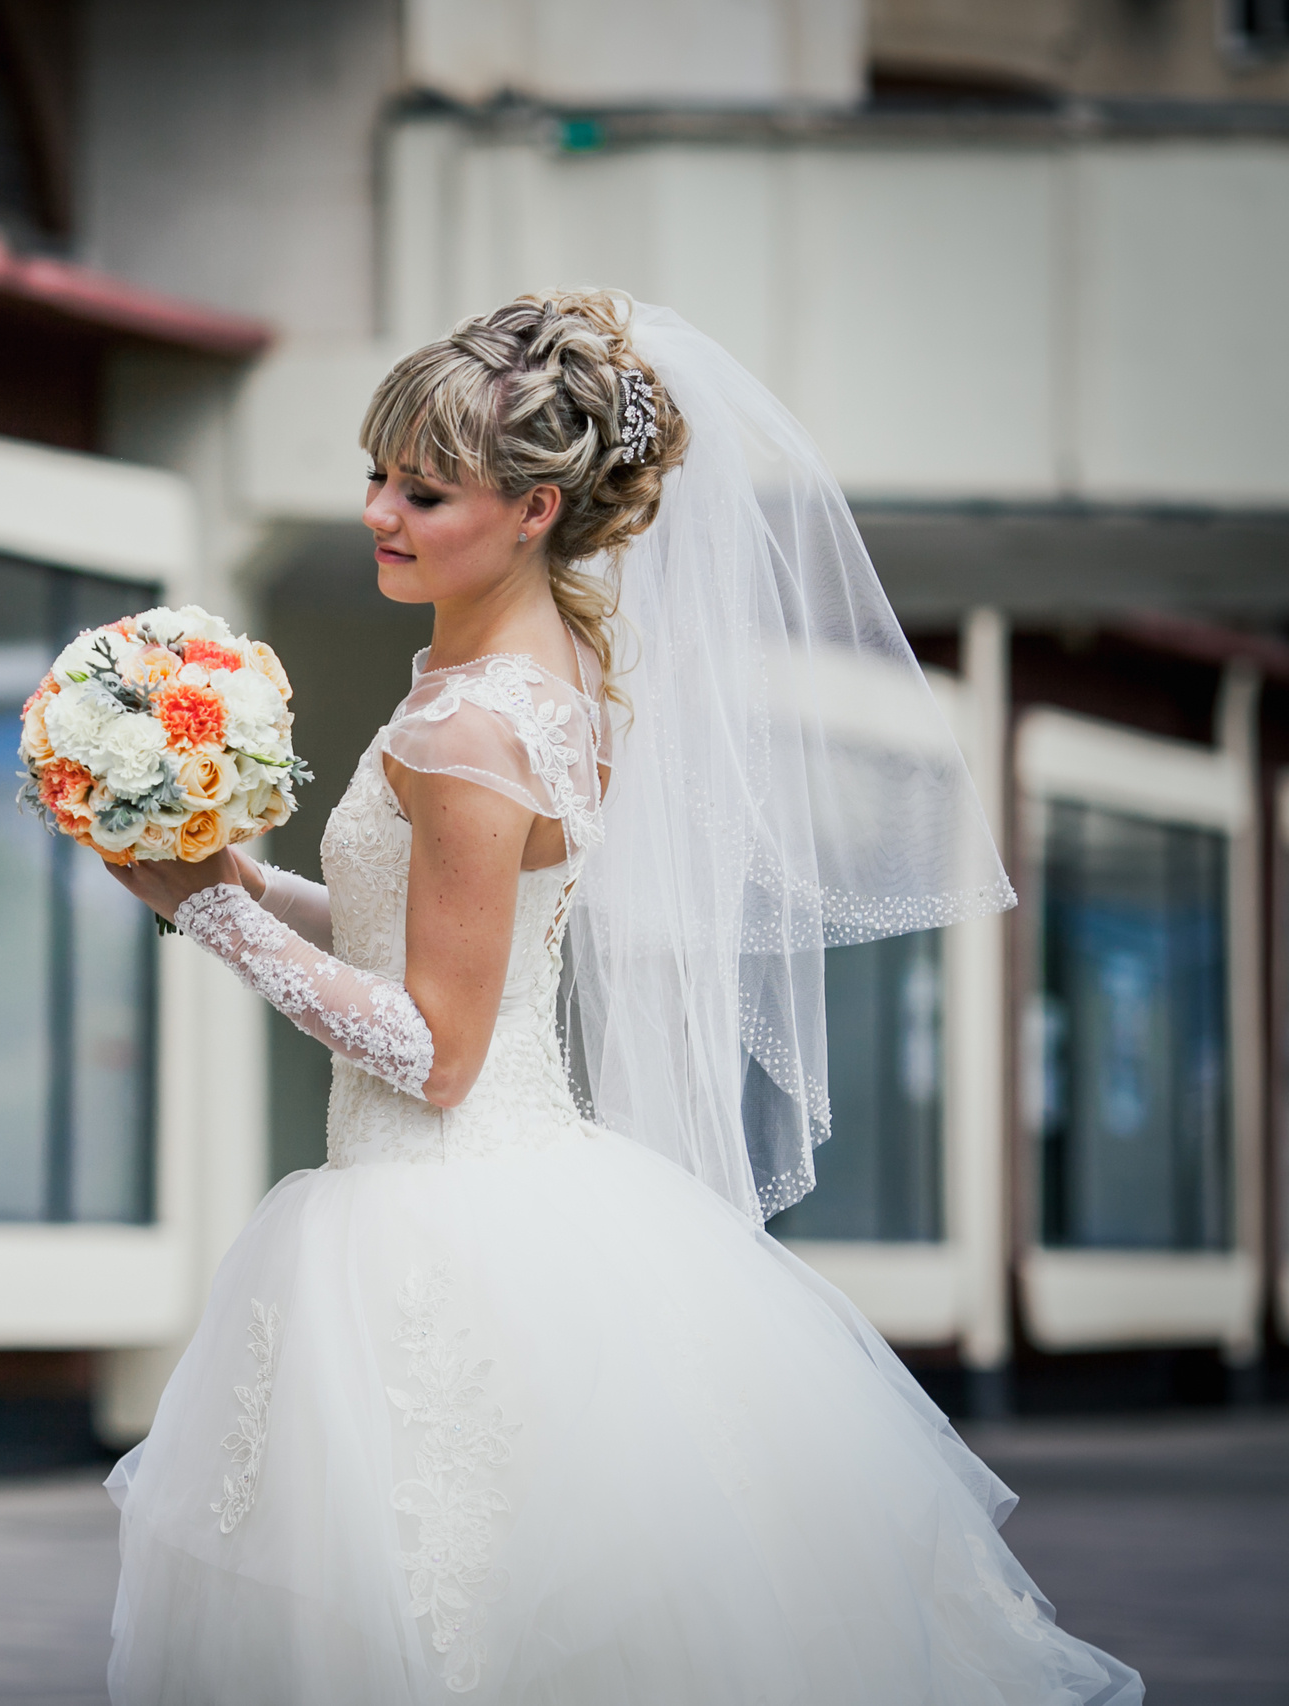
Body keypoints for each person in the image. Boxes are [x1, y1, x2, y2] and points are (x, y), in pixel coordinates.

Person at [98, 291, 1142, 1704]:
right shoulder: (515, 679)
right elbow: (418, 934)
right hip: (501, 1193)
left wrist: (216, 914)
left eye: (424, 489)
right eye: (376, 476)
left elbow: (435, 1044)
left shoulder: (472, 725)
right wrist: (221, 880)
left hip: (441, 1217)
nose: (379, 513)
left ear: (534, 509)